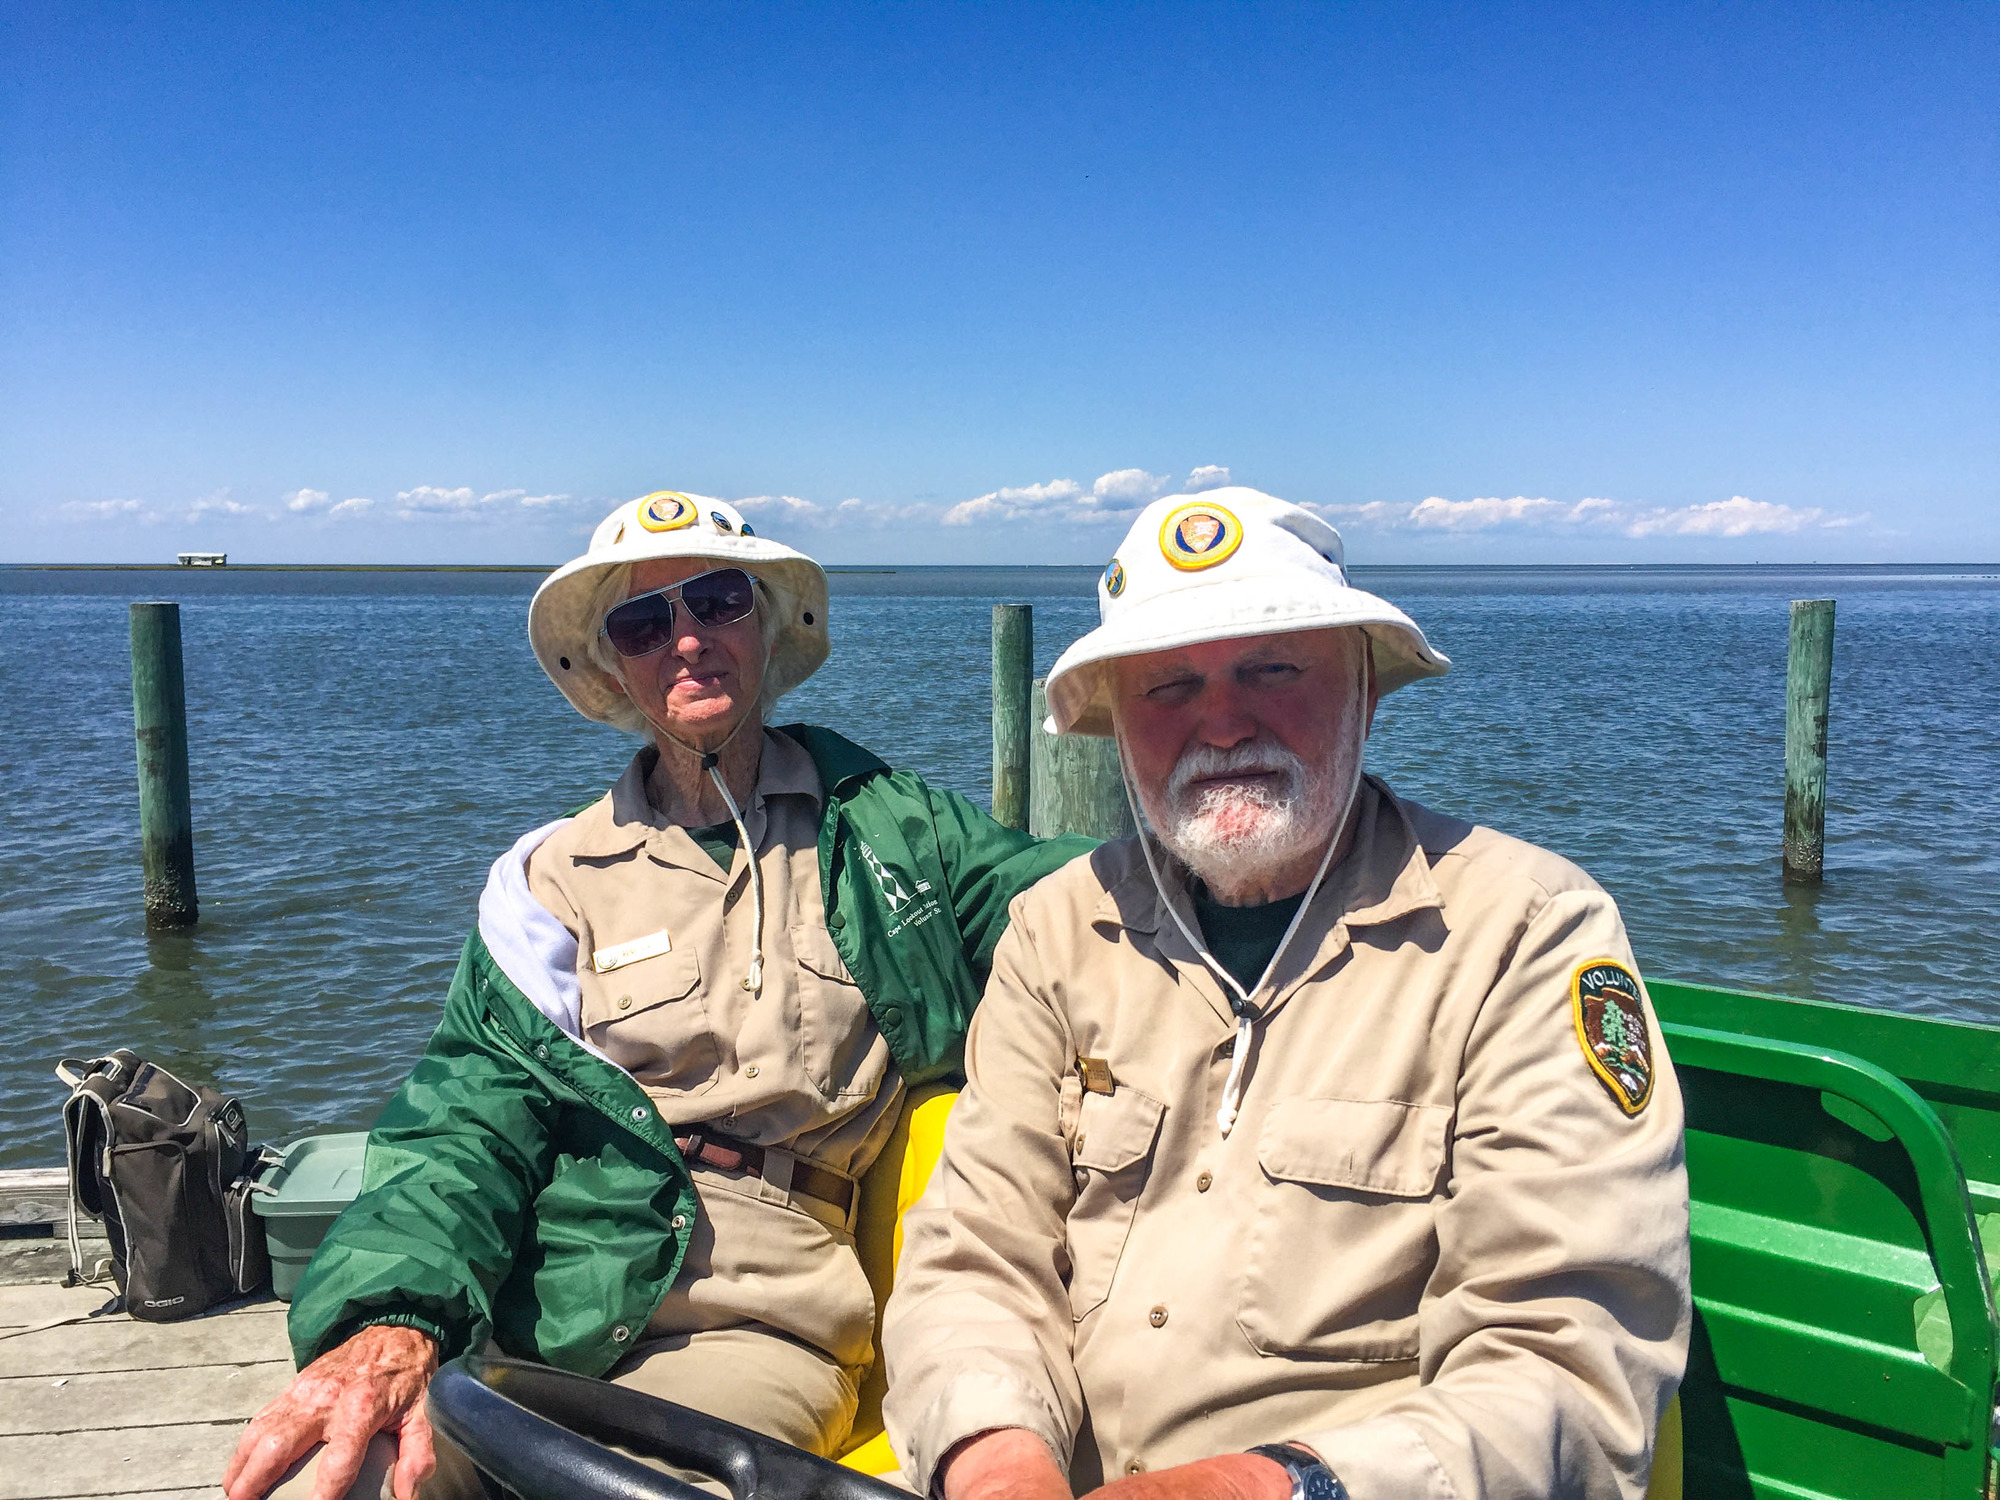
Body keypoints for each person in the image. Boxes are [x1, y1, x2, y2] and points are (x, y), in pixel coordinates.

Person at [223, 492, 1091, 1500]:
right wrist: (392, 1316)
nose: (685, 640)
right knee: (340, 1474)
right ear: (611, 668)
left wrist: (1254, 847)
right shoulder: (549, 882)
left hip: (758, 1311)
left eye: (716, 601)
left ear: (765, 625)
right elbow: (463, 1131)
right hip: (541, 1296)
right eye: (643, 624)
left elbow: (1081, 907)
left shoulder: (895, 837)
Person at [881, 488, 1691, 1500]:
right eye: (1167, 685)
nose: (1221, 723)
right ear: (1116, 726)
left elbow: (1570, 1359)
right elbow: (973, 1256)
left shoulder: (1526, 931)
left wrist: (1267, 1487)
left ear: (1363, 684)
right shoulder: (1054, 931)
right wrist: (995, 1460)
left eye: (1271, 667)